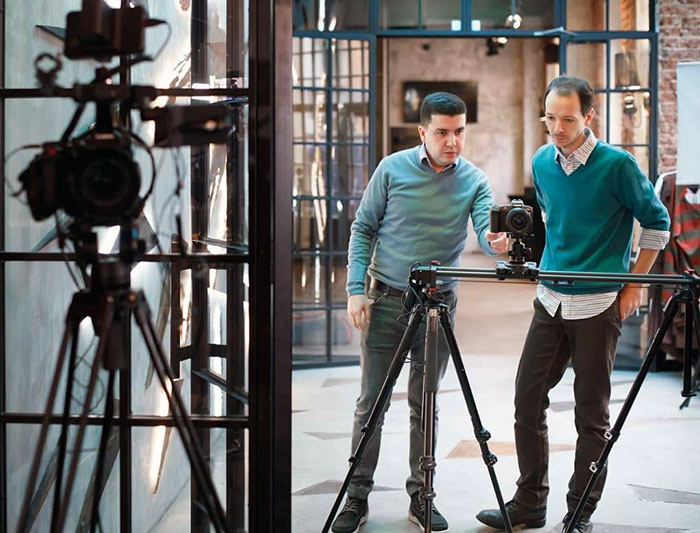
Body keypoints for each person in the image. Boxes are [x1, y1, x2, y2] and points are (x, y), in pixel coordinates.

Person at [476, 76, 671, 533]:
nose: (557, 128)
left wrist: (633, 285)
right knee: (527, 399)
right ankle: (529, 503)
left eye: (567, 118)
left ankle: (579, 514)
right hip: (549, 299)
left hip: (598, 304)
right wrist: (515, 246)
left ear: (588, 116)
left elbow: (657, 225)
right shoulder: (543, 162)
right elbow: (549, 219)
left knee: (591, 415)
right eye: (550, 118)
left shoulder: (617, 166)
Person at [331, 92, 508, 533]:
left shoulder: (474, 179)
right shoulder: (391, 169)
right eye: (444, 132)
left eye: (460, 132)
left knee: (425, 404)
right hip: (386, 300)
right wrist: (356, 291)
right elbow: (363, 229)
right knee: (370, 404)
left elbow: (485, 233)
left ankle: (421, 498)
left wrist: (497, 243)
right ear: (423, 132)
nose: (453, 141)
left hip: (439, 306)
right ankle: (356, 499)